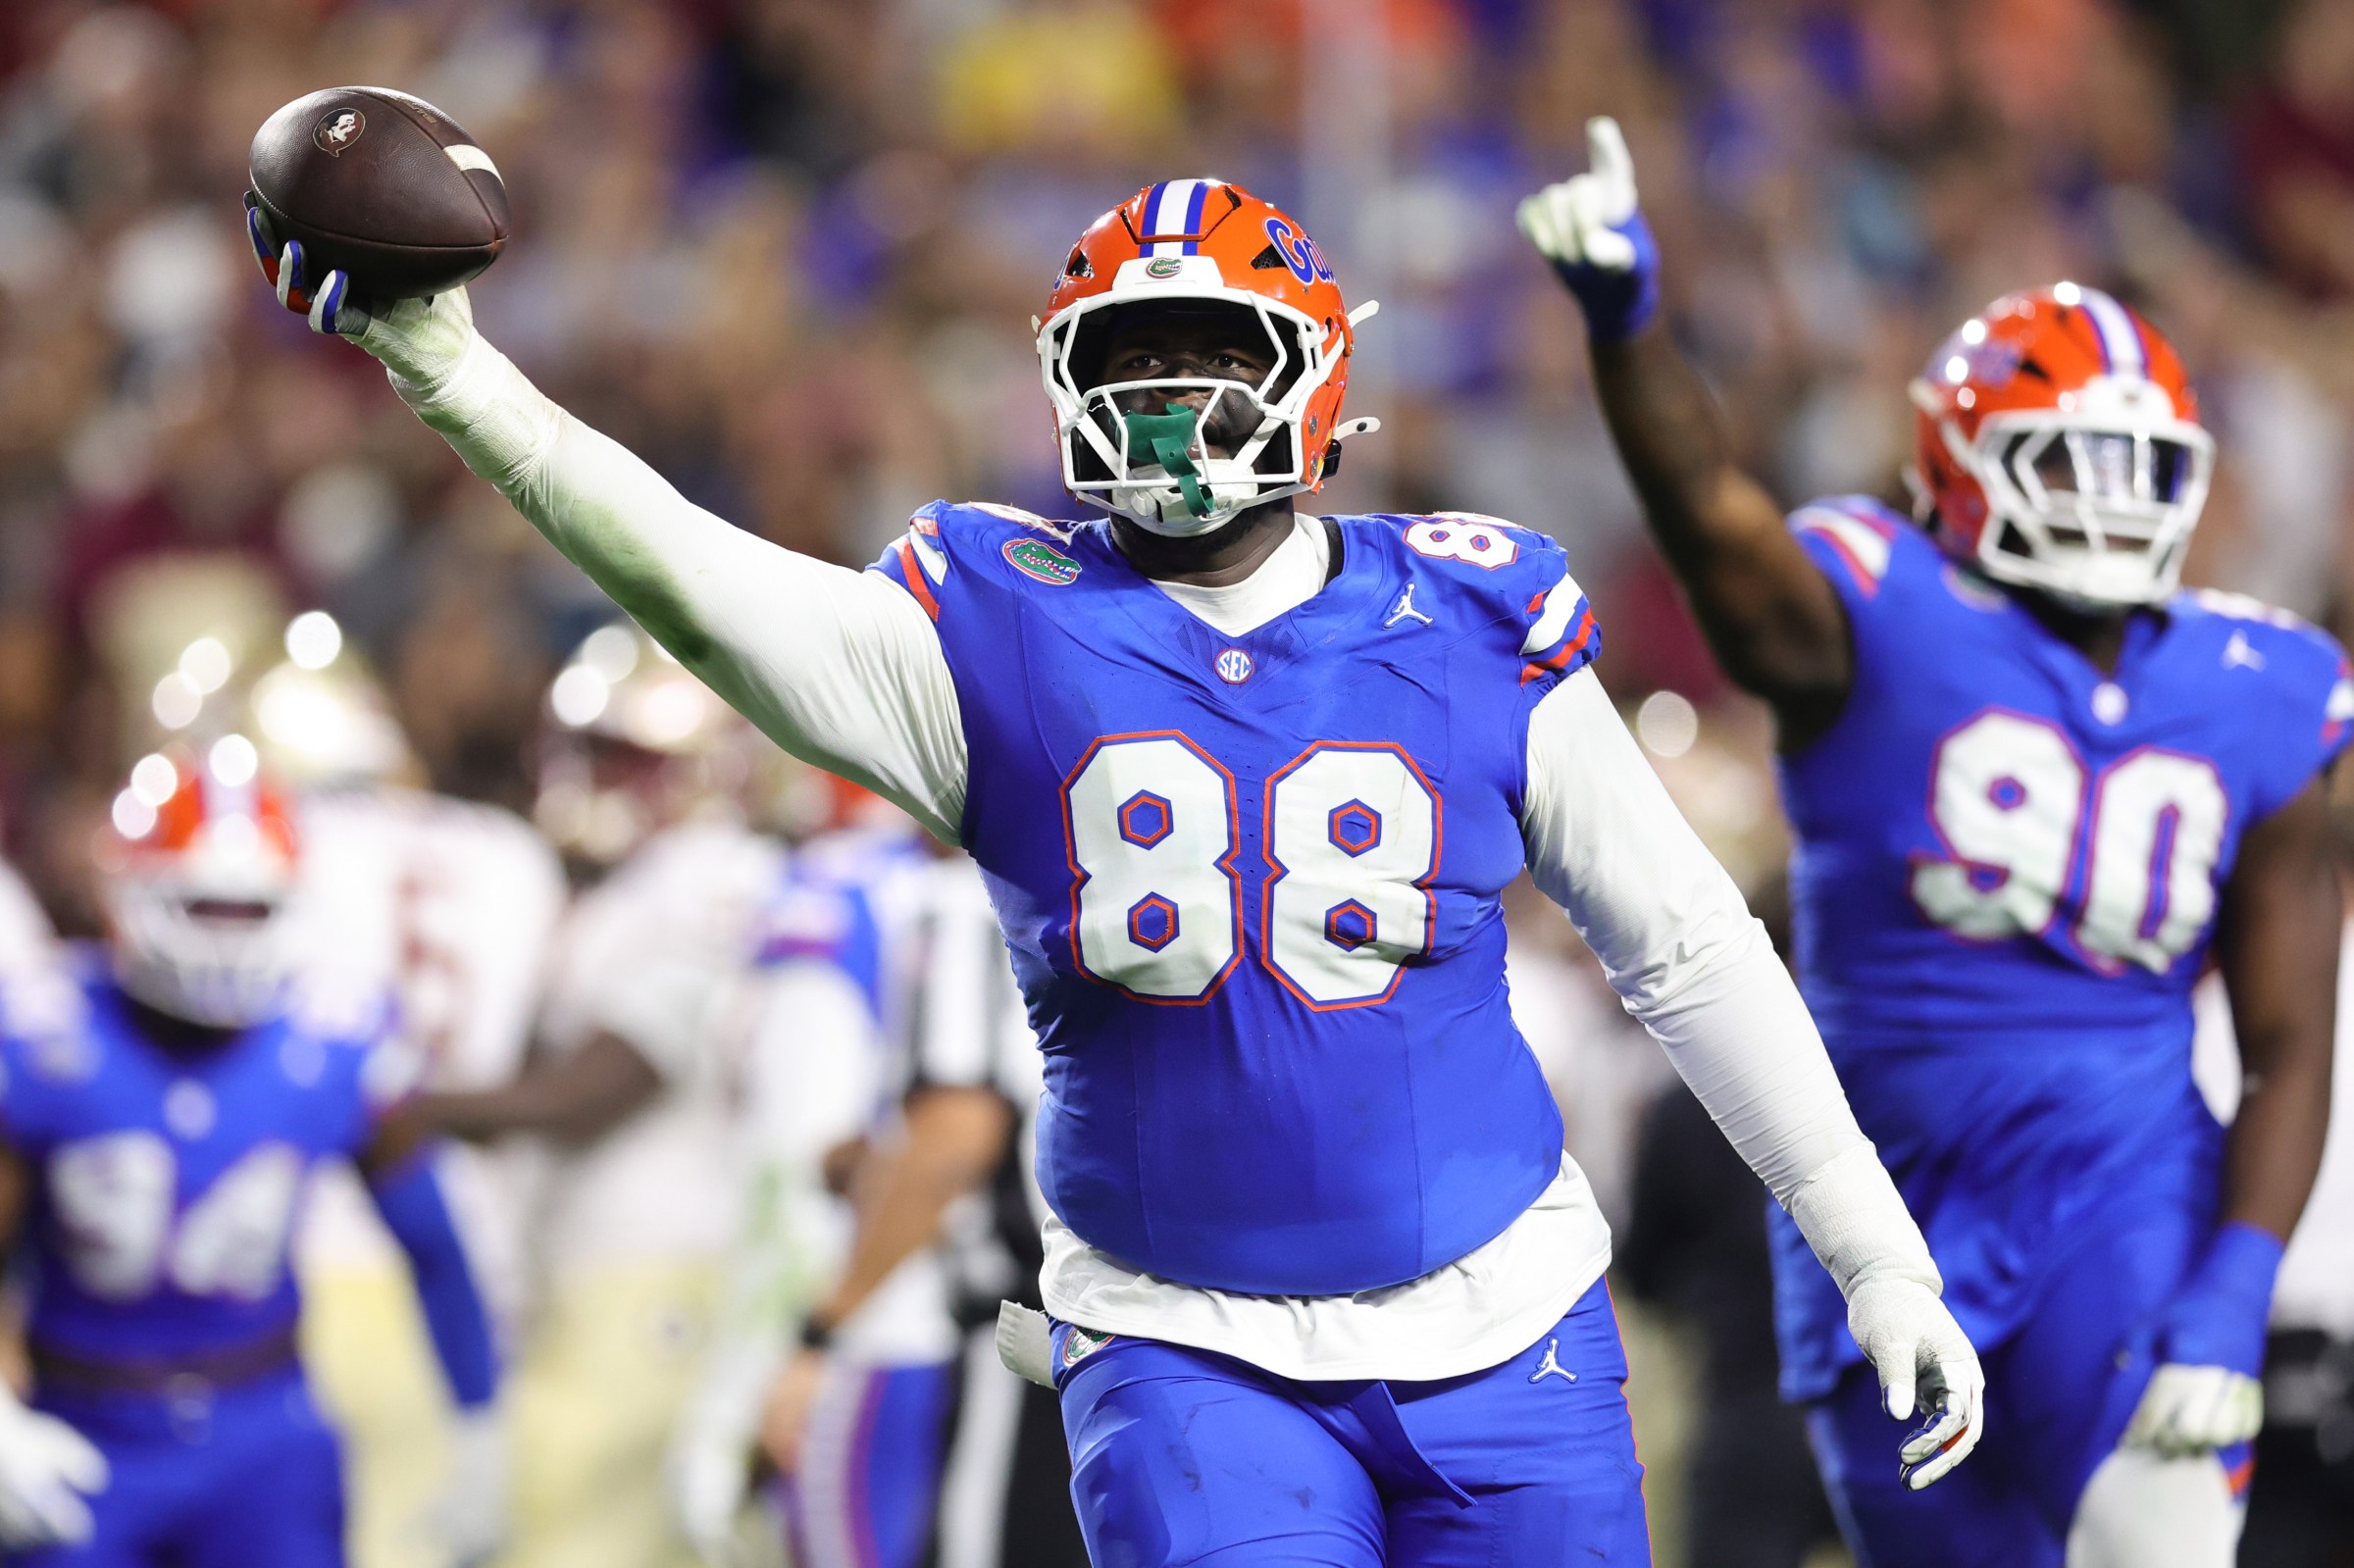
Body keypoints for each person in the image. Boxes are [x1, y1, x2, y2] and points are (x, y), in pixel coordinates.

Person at [249, 171, 1983, 1566]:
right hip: (1186, 1334)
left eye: (1209, 351)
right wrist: (454, 374)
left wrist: (1873, 1245)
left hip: (1507, 1317)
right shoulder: (994, 621)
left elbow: (1686, 945)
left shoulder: (1468, 612)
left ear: (1316, 372)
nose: (1167, 398)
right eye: (1130, 358)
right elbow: (693, 579)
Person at [1519, 120, 2345, 1568]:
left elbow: (2287, 1032)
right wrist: (1630, 326)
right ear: (1962, 463)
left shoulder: (2260, 690)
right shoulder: (1877, 606)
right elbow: (1714, 519)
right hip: (1878, 1197)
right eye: (2065, 460)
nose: (2105, 501)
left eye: (2134, 466)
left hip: (2124, 1192)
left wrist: (2233, 1282)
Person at [0, 743, 502, 1565]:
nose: (226, 939)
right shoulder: (45, 1033)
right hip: (83, 1421)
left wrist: (481, 1429)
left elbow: (434, 1242)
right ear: (130, 894)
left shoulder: (332, 1035)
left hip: (263, 1430)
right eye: (202, 906)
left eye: (251, 909)